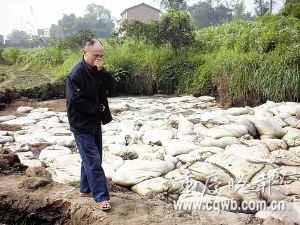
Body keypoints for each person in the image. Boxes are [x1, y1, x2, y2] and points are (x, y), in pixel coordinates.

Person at [65, 39, 115, 211]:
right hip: (80, 124)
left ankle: (85, 189)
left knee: (93, 157)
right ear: (85, 52)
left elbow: (112, 86)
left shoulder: (97, 70)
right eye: (96, 55)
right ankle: (101, 197)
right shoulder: (75, 74)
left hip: (94, 121)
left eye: (101, 56)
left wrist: (102, 71)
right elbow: (76, 100)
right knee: (93, 160)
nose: (99, 59)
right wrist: (97, 108)